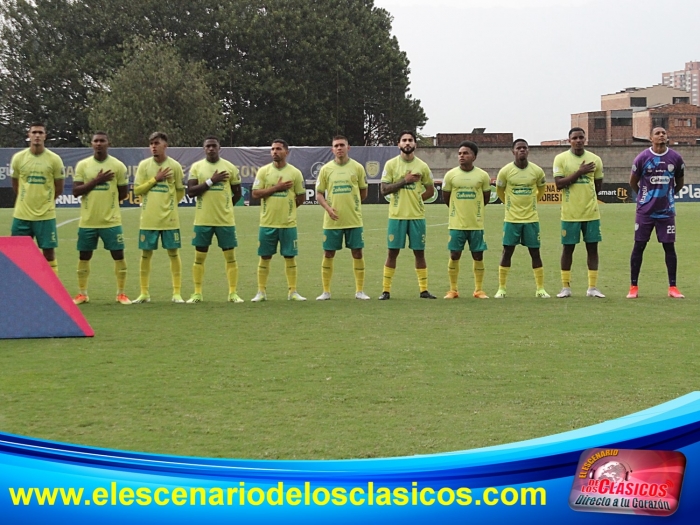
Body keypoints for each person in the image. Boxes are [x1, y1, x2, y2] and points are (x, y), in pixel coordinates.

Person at [71, 132, 131, 305]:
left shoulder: (118, 166)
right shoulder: (83, 165)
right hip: (88, 221)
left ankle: (121, 293)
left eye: (102, 141)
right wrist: (97, 181)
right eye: (96, 141)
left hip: (111, 221)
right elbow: (76, 192)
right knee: (84, 256)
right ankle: (82, 293)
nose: (99, 144)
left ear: (108, 143)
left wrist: (108, 205)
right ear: (91, 144)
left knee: (118, 255)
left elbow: (123, 193)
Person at [627, 127, 685, 299]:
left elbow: (680, 183)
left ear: (667, 137)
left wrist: (668, 197)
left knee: (669, 247)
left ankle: (673, 287)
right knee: (639, 246)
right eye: (658, 133)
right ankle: (633, 286)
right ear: (650, 138)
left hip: (666, 212)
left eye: (664, 133)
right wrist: (644, 198)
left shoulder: (675, 158)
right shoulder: (642, 158)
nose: (661, 135)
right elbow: (633, 182)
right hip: (645, 211)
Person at [378, 130, 436, 300]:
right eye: (404, 140)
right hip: (396, 216)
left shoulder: (422, 166)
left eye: (410, 140)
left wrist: (417, 200)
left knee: (419, 253)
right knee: (392, 253)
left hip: (417, 217)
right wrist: (405, 180)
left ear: (415, 144)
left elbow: (430, 190)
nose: (407, 143)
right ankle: (386, 291)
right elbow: (384, 190)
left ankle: (424, 290)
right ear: (399, 144)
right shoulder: (391, 165)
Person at [185, 136, 243, 304]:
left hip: (225, 221)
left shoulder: (230, 167)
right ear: (204, 149)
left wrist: (226, 207)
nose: (211, 149)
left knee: (230, 257)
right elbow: (191, 191)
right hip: (203, 221)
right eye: (208, 146)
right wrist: (211, 181)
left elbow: (237, 193)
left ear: (219, 148)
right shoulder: (197, 167)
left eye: (213, 146)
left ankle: (233, 293)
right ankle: (197, 293)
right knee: (199, 258)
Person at [132, 131, 186, 303]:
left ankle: (176, 293)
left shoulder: (175, 166)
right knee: (146, 254)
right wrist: (155, 179)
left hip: (170, 219)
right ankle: (144, 293)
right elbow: (137, 190)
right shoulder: (144, 166)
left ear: (165, 145)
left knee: (173, 254)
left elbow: (180, 190)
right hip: (149, 219)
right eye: (151, 144)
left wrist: (170, 206)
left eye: (157, 143)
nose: (153, 147)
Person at [250, 139, 306, 301]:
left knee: (290, 257)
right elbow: (255, 194)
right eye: (273, 149)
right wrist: (276, 188)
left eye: (279, 149)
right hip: (267, 223)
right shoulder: (263, 171)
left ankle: (292, 292)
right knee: (265, 256)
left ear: (286, 152)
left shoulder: (295, 173)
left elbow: (301, 197)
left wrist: (289, 209)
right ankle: (261, 292)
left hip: (288, 224)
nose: (275, 152)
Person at [315, 136, 370, 300]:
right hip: (332, 220)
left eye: (342, 145)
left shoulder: (357, 168)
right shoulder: (326, 169)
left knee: (357, 253)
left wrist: (353, 205)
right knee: (328, 253)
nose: (339, 148)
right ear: (332, 149)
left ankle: (359, 291)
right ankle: (326, 291)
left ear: (348, 147)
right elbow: (319, 194)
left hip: (353, 220)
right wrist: (328, 209)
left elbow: (363, 192)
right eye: (336, 146)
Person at [553, 127, 605, 298]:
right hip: (570, 214)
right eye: (574, 138)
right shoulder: (561, 159)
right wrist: (579, 172)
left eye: (581, 137)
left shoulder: (595, 159)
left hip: (591, 213)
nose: (578, 140)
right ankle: (565, 287)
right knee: (568, 249)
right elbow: (559, 184)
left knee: (592, 249)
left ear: (585, 139)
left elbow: (598, 185)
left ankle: (592, 288)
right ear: (569, 140)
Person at [494, 139, 549, 298]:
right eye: (519, 148)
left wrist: (533, 201)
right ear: (513, 151)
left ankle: (540, 289)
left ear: (528, 150)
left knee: (535, 253)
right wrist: (508, 204)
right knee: (507, 252)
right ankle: (502, 289)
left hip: (531, 219)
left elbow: (541, 189)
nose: (522, 150)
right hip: (512, 220)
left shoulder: (537, 171)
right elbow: (500, 191)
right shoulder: (505, 171)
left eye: (524, 147)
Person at [10, 122, 64, 275]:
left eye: (40, 132)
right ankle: (20, 284)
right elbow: (15, 184)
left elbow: (59, 187)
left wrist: (46, 202)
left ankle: (51, 287)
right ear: (29, 135)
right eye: (34, 132)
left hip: (45, 216)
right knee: (17, 253)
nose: (37, 135)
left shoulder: (54, 159)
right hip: (22, 215)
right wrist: (25, 199)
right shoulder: (18, 158)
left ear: (45, 136)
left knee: (49, 253)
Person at [442, 141, 491, 299]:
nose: (461, 156)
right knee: (454, 255)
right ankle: (453, 290)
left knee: (478, 256)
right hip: (456, 224)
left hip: (476, 224)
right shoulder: (451, 175)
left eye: (465, 153)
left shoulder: (482, 176)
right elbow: (446, 197)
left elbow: (486, 197)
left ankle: (478, 290)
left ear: (474, 156)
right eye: (460, 153)